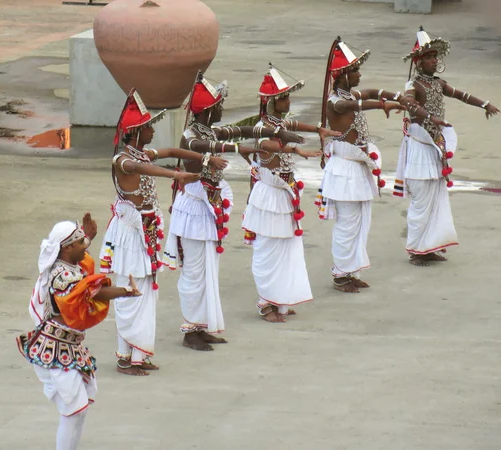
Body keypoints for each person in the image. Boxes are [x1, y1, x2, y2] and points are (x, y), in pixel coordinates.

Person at [163, 72, 303, 348]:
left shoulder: (208, 130)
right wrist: (235, 147)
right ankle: (190, 330)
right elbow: (205, 147)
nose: (223, 109)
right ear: (208, 110)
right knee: (194, 272)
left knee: (207, 271)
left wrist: (276, 131)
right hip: (192, 211)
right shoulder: (191, 137)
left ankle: (200, 325)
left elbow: (245, 129)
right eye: (219, 105)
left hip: (208, 210)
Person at [99, 88, 223, 374]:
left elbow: (171, 152)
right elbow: (141, 167)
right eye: (148, 127)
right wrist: (176, 175)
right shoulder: (122, 160)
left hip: (146, 232)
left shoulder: (140, 152)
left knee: (145, 293)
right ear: (135, 132)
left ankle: (138, 355)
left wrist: (204, 160)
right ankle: (125, 357)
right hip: (131, 236)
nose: (153, 131)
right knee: (131, 291)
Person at [17, 213, 140, 450]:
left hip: (68, 346)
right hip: (55, 350)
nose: (86, 247)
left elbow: (82, 268)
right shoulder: (61, 275)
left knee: (78, 412)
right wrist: (124, 291)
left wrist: (88, 237)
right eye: (81, 243)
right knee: (74, 411)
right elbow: (88, 291)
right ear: (67, 247)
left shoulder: (67, 263)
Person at [394, 27, 500, 266]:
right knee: (421, 200)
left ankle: (429, 246)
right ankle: (416, 250)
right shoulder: (414, 85)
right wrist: (428, 116)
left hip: (436, 147)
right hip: (421, 146)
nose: (435, 60)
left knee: (436, 198)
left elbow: (461, 95)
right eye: (430, 57)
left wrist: (485, 104)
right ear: (419, 62)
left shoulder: (438, 83)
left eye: (436, 56)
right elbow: (407, 101)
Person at [242, 63, 340, 322]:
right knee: (267, 249)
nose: (288, 100)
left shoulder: (281, 122)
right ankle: (265, 302)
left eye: (287, 96)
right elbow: (267, 142)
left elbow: (293, 125)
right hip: (269, 196)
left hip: (285, 195)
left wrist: (317, 129)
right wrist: (296, 150)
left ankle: (280, 298)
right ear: (271, 102)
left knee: (287, 248)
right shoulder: (262, 127)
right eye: (283, 97)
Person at [315, 38, 406, 293]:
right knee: (347, 224)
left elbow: (369, 93)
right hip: (344, 170)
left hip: (357, 168)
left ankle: (351, 271)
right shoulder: (336, 102)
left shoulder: (351, 93)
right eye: (354, 70)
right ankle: (340, 275)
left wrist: (395, 97)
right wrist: (381, 105)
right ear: (342, 75)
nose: (359, 74)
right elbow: (354, 105)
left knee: (360, 222)